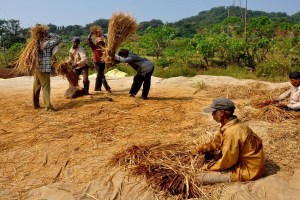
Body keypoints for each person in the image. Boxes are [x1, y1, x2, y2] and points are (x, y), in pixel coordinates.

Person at [192, 97, 265, 184]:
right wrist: (201, 148)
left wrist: (207, 167)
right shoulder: (232, 123)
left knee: (198, 178)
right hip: (252, 164)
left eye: (214, 112)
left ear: (222, 113)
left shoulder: (232, 132)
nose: (212, 114)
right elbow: (217, 142)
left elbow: (227, 161)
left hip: (249, 171)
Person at [33, 32, 61, 111]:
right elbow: (59, 39)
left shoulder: (35, 44)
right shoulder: (48, 44)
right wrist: (49, 33)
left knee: (36, 87)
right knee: (46, 87)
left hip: (36, 69)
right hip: (44, 69)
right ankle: (48, 106)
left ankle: (36, 104)